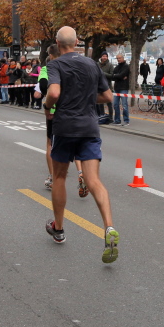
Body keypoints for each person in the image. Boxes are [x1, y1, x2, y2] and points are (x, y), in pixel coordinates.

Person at [43, 26, 120, 263]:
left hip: (65, 127)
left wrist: (47, 106)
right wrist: (85, 99)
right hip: (89, 127)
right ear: (77, 42)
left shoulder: (55, 64)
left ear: (57, 43)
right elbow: (108, 97)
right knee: (93, 180)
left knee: (59, 177)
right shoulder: (92, 64)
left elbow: (54, 93)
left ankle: (59, 228)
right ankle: (108, 227)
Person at [35, 44, 59, 190]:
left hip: (53, 110)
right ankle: (81, 173)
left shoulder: (46, 69)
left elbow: (43, 85)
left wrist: (47, 103)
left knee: (50, 143)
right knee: (74, 143)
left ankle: (52, 177)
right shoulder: (70, 67)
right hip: (72, 110)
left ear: (50, 55)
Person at [110, 53, 130, 126]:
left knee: (124, 105)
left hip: (124, 88)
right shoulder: (117, 67)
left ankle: (126, 120)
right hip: (116, 88)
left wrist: (117, 76)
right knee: (115, 104)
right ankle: (117, 120)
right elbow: (112, 76)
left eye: (120, 58)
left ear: (123, 58)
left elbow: (121, 75)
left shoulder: (126, 66)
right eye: (117, 58)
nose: (118, 59)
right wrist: (118, 76)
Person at [97, 52, 114, 122]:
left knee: (109, 102)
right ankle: (102, 116)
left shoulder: (110, 65)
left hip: (107, 86)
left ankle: (111, 117)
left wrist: (103, 73)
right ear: (101, 57)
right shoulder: (97, 64)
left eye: (106, 56)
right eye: (103, 56)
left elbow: (112, 75)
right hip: (99, 86)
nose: (104, 57)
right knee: (100, 103)